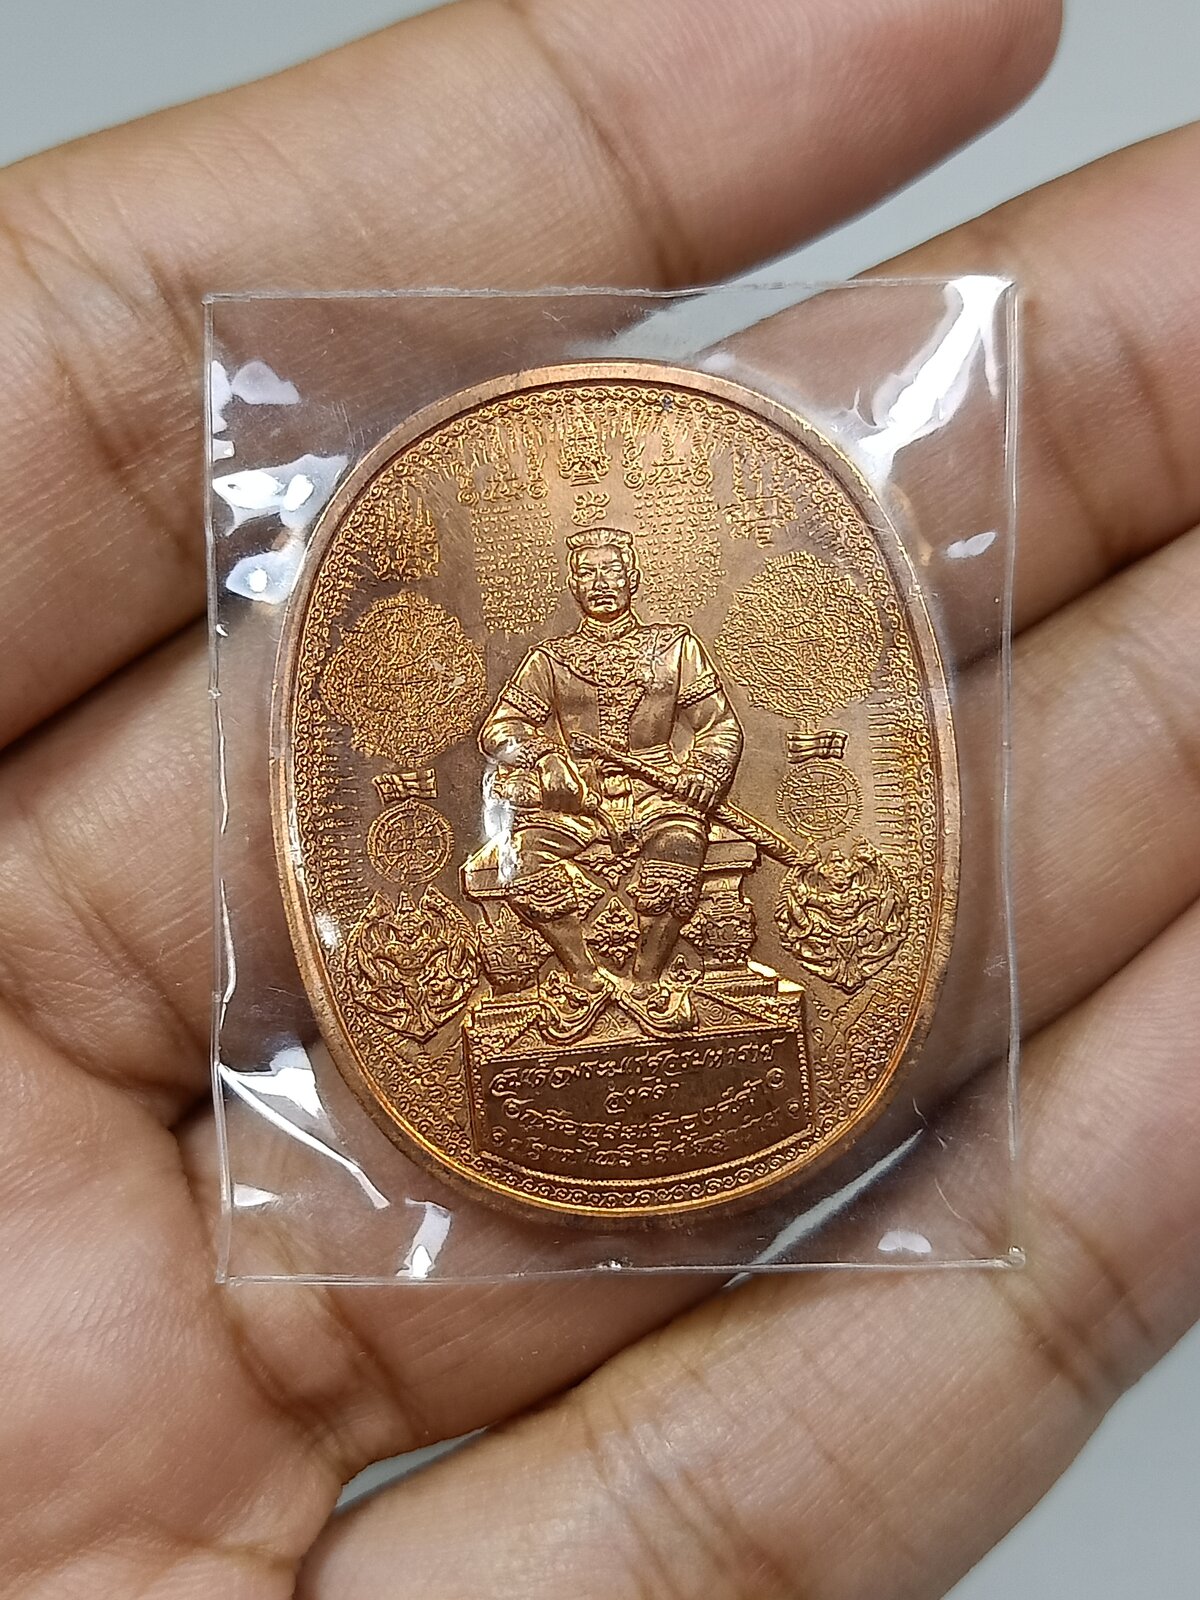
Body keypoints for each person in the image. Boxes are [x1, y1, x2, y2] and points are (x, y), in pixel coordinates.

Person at [2, 1, 1199, 1595]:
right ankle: (582, 1001)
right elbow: (510, 743)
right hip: (573, 823)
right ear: (580, 586)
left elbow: (710, 741)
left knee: (681, 871)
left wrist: (672, 788)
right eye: (597, 575)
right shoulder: (558, 664)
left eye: (627, 573)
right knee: (541, 876)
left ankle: (673, 988)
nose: (614, 588)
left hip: (670, 822)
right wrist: (557, 774)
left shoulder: (681, 654)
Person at [479, 526, 743, 992]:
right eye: (587, 573)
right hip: (576, 798)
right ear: (573, 585)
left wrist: (704, 771)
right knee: (524, 857)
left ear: (633, 578)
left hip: (659, 789)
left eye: (612, 571)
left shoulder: (675, 647)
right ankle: (584, 975)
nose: (600, 583)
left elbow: (719, 724)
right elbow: (500, 729)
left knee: (681, 844)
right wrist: (544, 755)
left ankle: (647, 978)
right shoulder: (550, 659)